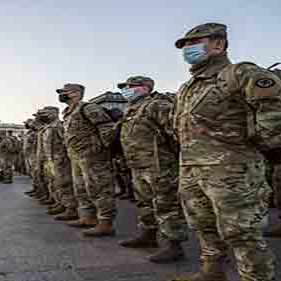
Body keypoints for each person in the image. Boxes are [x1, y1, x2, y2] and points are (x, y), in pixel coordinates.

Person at [170, 23, 276, 281]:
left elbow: (275, 114)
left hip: (232, 168)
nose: (188, 49)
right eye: (185, 45)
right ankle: (212, 273)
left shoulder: (239, 73)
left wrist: (250, 148)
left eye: (195, 42)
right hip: (193, 167)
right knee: (203, 225)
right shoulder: (189, 86)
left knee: (242, 231)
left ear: (218, 44)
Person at [116, 76, 188, 263]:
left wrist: (174, 157)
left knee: (166, 205)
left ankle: (174, 245)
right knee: (145, 202)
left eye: (131, 86)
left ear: (145, 87)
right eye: (126, 87)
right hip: (138, 165)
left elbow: (176, 132)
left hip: (160, 165)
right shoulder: (131, 110)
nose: (127, 89)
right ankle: (148, 234)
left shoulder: (157, 105)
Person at [58, 83, 117, 237]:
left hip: (92, 156)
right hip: (77, 156)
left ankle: (105, 222)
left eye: (65, 92)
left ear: (76, 93)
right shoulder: (68, 112)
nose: (61, 95)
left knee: (99, 188)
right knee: (81, 188)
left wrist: (102, 149)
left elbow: (106, 127)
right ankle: (87, 217)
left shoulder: (88, 108)